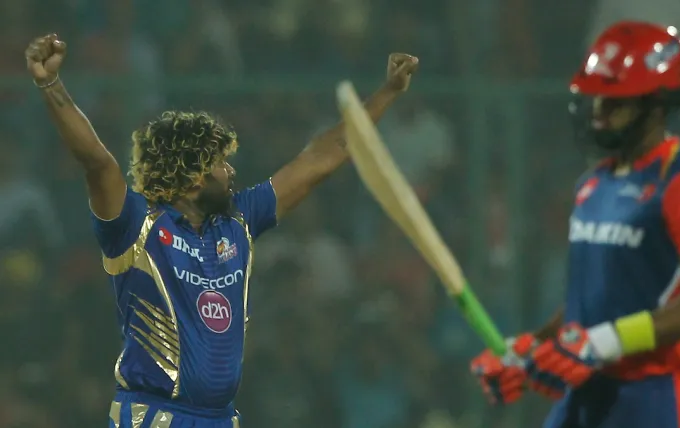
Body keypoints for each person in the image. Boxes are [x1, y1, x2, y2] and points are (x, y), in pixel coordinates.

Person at [25, 33, 418, 427]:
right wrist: (50, 83)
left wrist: (387, 92)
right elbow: (97, 161)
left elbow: (320, 159)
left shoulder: (238, 222)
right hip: (153, 417)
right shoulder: (136, 225)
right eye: (219, 163)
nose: (231, 171)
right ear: (192, 175)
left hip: (220, 419)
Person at [470, 21, 680, 428]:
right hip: (585, 398)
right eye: (597, 100)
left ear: (656, 105)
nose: (598, 114)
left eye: (615, 103)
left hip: (655, 401)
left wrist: (602, 342)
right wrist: (529, 351)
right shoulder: (592, 184)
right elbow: (590, 302)